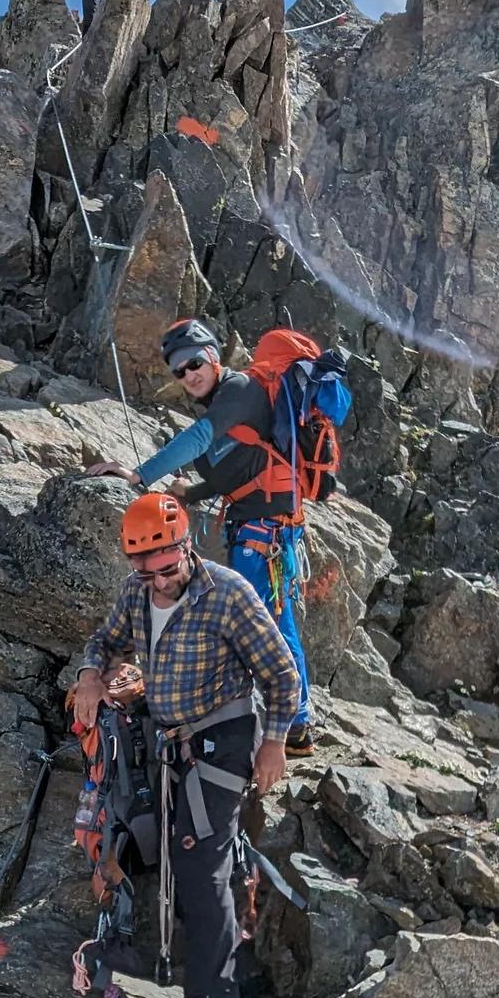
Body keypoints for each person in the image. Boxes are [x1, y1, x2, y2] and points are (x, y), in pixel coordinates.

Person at [75, 492, 299, 998]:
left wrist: (274, 743)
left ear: (186, 544)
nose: (157, 582)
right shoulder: (138, 591)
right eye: (144, 571)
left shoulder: (227, 594)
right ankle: (226, 992)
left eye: (165, 568)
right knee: (190, 859)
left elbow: (280, 672)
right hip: (174, 741)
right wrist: (89, 675)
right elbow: (107, 640)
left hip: (221, 741)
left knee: (201, 863)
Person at [113, 318, 325, 753]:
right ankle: (297, 722)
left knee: (265, 626)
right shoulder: (229, 400)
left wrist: (140, 475)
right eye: (179, 370)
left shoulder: (239, 390)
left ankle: (290, 727)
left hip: (262, 533)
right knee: (275, 623)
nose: (189, 374)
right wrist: (191, 493)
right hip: (264, 528)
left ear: (213, 354)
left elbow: (199, 440)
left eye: (194, 362)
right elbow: (240, 466)